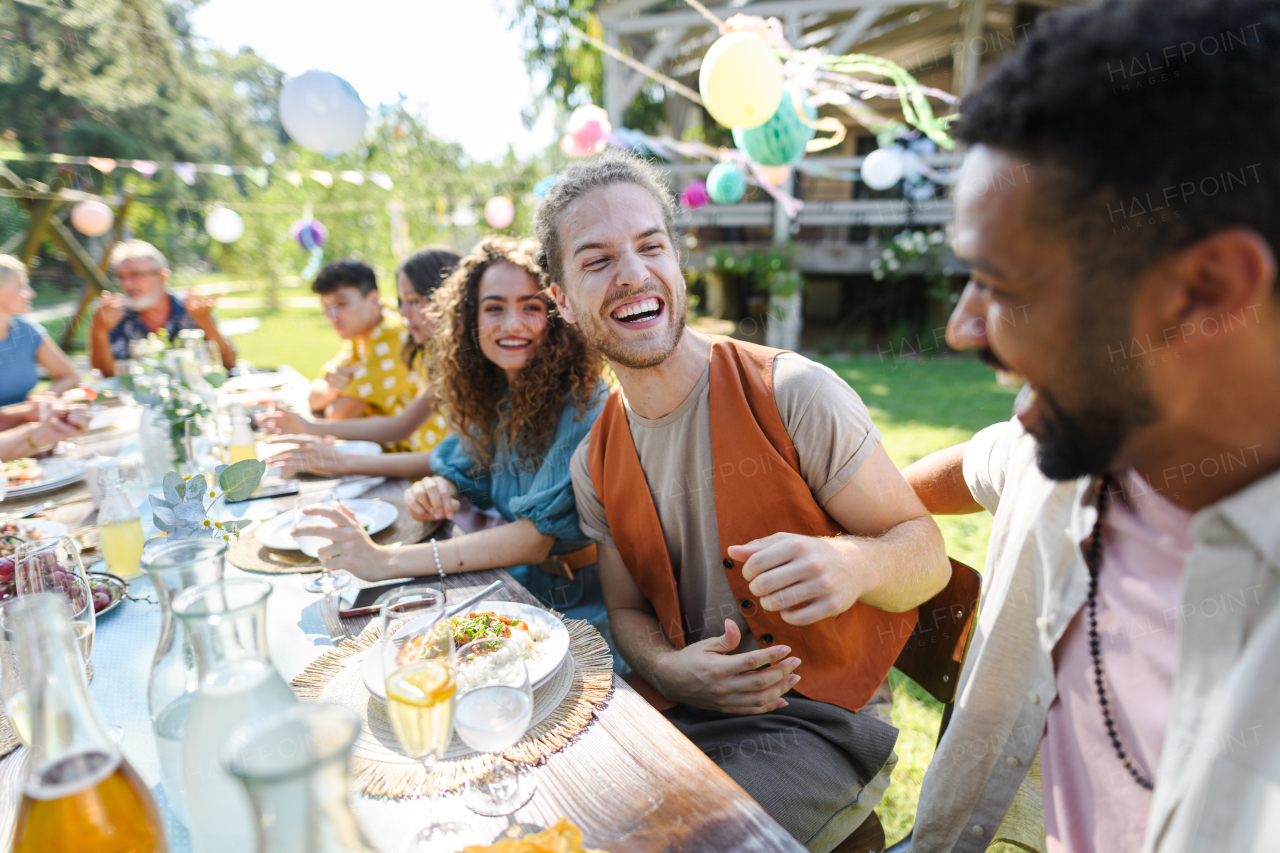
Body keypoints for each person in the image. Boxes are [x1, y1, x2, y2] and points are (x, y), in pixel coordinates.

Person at [897, 2, 1280, 852]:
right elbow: (985, 463)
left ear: (1206, 291)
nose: (962, 329)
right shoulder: (1080, 435)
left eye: (999, 283)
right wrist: (857, 511)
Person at [536, 152, 951, 852]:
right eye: (597, 260)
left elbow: (927, 553)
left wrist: (852, 564)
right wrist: (669, 669)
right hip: (678, 710)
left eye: (650, 246)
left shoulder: (795, 394)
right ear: (561, 300)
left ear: (677, 261)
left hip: (818, 718)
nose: (633, 273)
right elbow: (629, 610)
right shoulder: (594, 459)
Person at [295, 237, 611, 626]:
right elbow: (463, 467)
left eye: (532, 307)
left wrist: (384, 560)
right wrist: (438, 489)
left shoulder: (580, 398)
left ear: (560, 314)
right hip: (512, 588)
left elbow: (533, 539)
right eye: (494, 308)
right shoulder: (496, 389)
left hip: (578, 609)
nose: (512, 323)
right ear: (469, 320)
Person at [260, 248, 459, 478]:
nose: (402, 312)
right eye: (400, 302)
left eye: (413, 301)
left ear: (449, 300)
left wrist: (341, 459)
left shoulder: (393, 337)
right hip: (419, 469)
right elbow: (400, 425)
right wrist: (310, 426)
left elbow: (339, 414)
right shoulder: (365, 337)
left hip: (431, 475)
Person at [305, 260, 426, 448]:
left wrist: (334, 393)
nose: (332, 316)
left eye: (341, 304)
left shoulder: (391, 335)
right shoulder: (361, 333)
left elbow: (339, 417)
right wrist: (334, 390)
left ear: (373, 299)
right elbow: (314, 397)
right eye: (326, 306)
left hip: (416, 461)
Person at [90, 240, 235, 377]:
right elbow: (107, 375)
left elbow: (229, 363)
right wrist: (99, 331)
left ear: (162, 277)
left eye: (136, 275)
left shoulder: (191, 308)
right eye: (121, 277)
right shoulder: (115, 316)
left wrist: (205, 321)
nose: (127, 284)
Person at [0, 255, 78, 404]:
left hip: (27, 424)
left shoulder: (26, 329)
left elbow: (69, 376)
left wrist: (44, 400)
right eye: (21, 287)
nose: (31, 293)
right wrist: (25, 412)